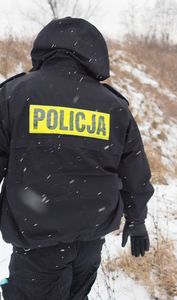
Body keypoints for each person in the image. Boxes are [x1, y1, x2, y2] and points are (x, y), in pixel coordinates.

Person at [0, 17, 154, 300]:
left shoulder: (15, 94)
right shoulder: (113, 106)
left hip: (38, 242)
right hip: (90, 240)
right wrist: (137, 218)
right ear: (95, 54)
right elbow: (134, 169)